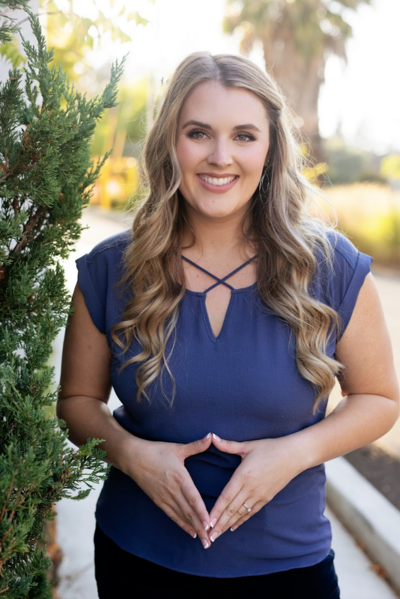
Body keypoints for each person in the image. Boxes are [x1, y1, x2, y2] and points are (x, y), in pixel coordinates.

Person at [57, 52, 399, 599]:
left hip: (289, 568)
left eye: (244, 135)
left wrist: (294, 453)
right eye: (199, 133)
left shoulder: (330, 267)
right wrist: (131, 455)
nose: (221, 157)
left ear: (270, 147)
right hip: (138, 560)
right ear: (171, 142)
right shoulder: (111, 270)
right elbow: (76, 401)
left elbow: (380, 398)